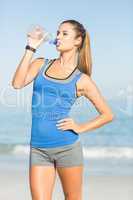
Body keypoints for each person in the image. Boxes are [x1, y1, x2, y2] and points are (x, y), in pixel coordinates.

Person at [12, 19, 114, 200]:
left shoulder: (82, 80)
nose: (58, 36)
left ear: (78, 40)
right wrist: (31, 48)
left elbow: (107, 114)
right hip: (38, 149)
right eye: (58, 32)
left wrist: (80, 127)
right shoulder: (41, 64)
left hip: (67, 148)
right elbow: (17, 83)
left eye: (64, 33)